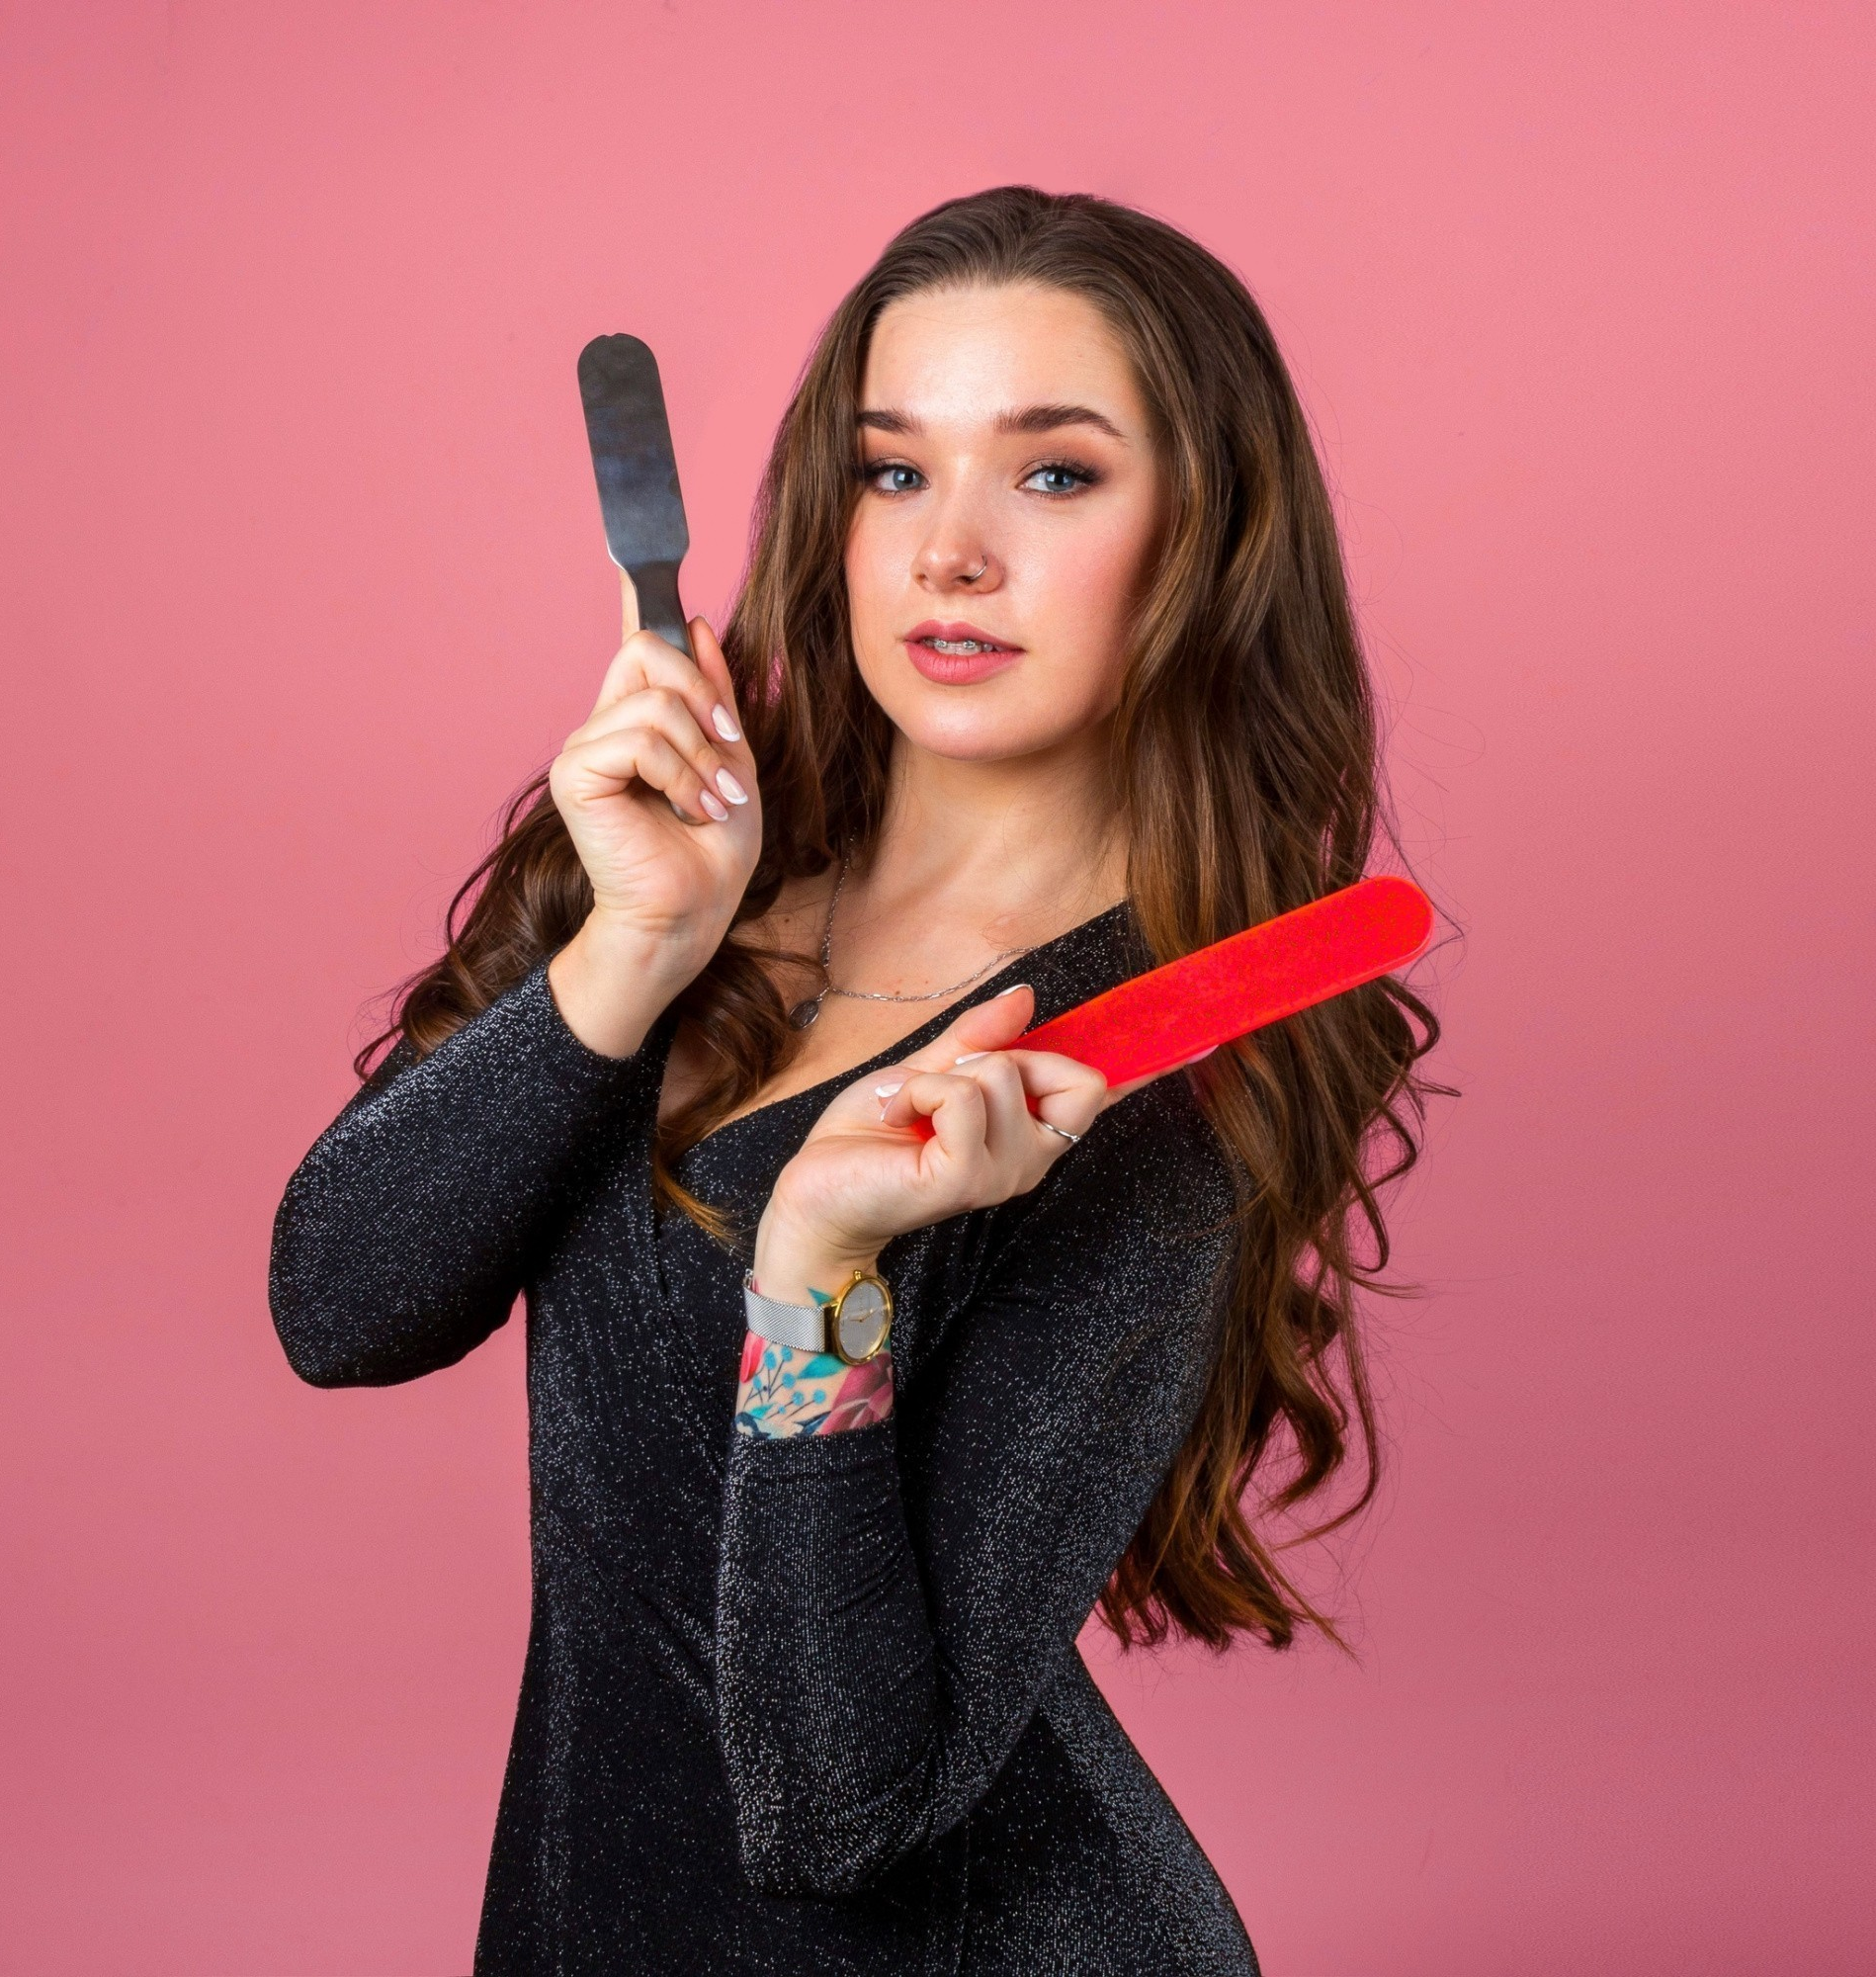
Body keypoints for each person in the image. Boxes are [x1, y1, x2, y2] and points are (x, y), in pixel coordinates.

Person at [270, 185, 1441, 1975]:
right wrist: (635, 949)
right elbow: (338, 1306)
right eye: (896, 470)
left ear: (1206, 533)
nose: (949, 552)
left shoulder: (1150, 1080)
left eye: (1054, 474)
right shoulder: (686, 871)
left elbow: (833, 1813)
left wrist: (818, 1277)